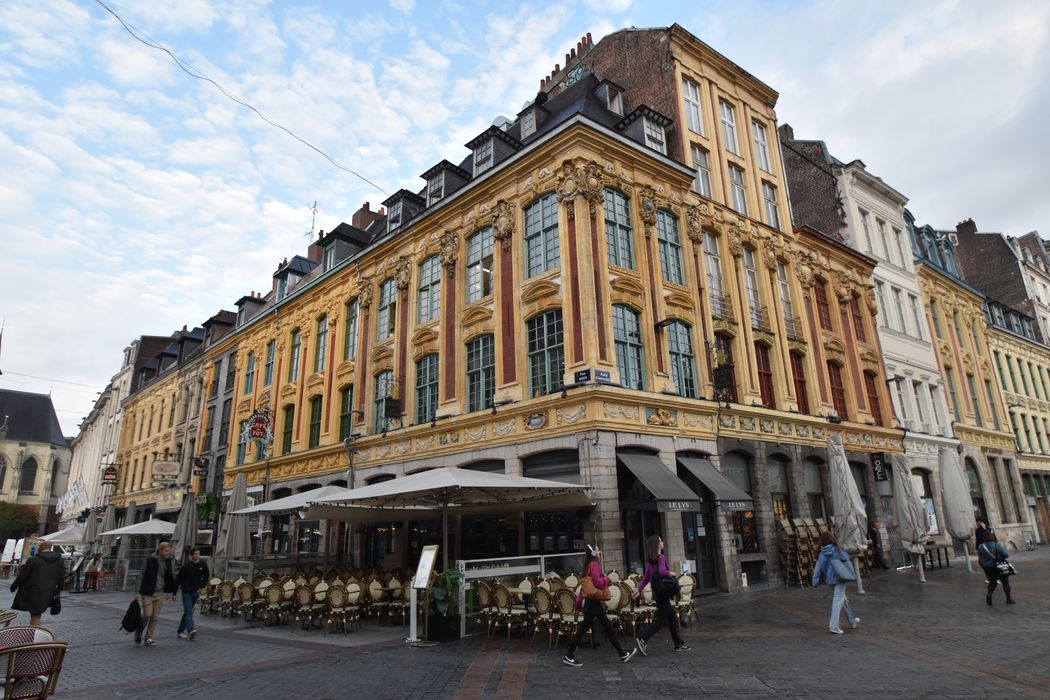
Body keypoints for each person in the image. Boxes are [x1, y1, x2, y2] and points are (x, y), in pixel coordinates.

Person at [562, 545, 637, 667]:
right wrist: (606, 579)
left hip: (591, 602)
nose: (599, 551)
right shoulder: (595, 565)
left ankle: (622, 653)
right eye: (597, 549)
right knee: (601, 628)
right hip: (594, 603)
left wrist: (579, 604)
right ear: (593, 553)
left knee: (599, 628)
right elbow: (598, 583)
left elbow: (584, 588)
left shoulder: (587, 566)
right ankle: (569, 655)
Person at [633, 535, 689, 655]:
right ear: (657, 545)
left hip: (657, 592)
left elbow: (646, 578)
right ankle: (643, 639)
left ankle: (679, 644)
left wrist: (639, 589)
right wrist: (672, 573)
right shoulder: (661, 557)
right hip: (663, 592)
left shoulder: (651, 560)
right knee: (662, 620)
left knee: (672, 618)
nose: (663, 542)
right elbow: (662, 571)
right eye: (661, 541)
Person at [811, 532, 860, 634]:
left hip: (830, 580)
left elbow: (817, 569)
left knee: (843, 600)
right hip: (840, 578)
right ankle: (834, 626)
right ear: (832, 540)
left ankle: (852, 621)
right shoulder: (837, 550)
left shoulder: (821, 554)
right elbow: (846, 560)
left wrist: (815, 581)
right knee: (838, 600)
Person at [10, 541, 65, 626]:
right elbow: (61, 576)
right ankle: (35, 630)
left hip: (33, 591)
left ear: (42, 547)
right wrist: (59, 589)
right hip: (49, 591)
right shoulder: (59, 561)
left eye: (39, 547)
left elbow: (23, 576)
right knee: (37, 613)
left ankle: (36, 631)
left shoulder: (33, 560)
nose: (38, 548)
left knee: (35, 614)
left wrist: (13, 587)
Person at [134, 541, 177, 646]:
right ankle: (139, 630)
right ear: (160, 550)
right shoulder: (150, 560)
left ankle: (148, 638)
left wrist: (171, 591)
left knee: (155, 617)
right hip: (147, 592)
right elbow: (141, 575)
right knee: (147, 614)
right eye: (166, 550)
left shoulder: (168, 561)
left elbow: (171, 576)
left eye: (169, 550)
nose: (168, 552)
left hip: (160, 592)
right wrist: (137, 592)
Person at [176, 547, 209, 640]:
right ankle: (191, 629)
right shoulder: (186, 566)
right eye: (195, 554)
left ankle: (180, 631)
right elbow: (179, 578)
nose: (197, 555)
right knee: (188, 611)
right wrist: (174, 592)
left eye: (198, 554)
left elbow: (206, 575)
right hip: (186, 592)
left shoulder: (202, 564)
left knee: (188, 612)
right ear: (191, 555)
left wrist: (202, 584)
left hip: (195, 592)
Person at [977, 531, 1014, 605]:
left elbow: (980, 559)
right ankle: (1008, 599)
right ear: (992, 537)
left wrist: (983, 566)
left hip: (987, 567)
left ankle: (989, 594)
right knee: (1005, 582)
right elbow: (1006, 555)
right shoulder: (996, 545)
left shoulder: (980, 546)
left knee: (992, 582)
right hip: (998, 566)